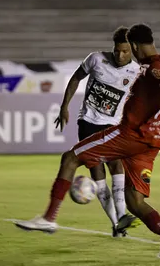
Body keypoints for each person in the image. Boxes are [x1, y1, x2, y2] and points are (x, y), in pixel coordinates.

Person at [15, 24, 160, 259]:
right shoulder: (157, 65)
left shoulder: (154, 67)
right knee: (135, 201)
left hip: (131, 135)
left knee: (70, 158)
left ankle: (49, 219)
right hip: (149, 144)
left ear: (133, 46)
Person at [54, 26, 141, 237]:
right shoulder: (95, 59)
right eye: (117, 50)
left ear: (133, 50)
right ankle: (117, 223)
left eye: (125, 52)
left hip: (113, 124)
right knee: (98, 172)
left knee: (117, 165)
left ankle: (122, 216)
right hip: (88, 123)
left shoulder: (137, 72)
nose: (120, 55)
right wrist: (64, 106)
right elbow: (76, 78)